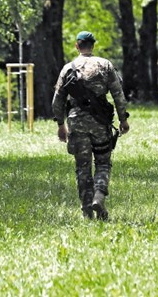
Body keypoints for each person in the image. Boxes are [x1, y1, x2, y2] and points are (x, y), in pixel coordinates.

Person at [52, 31, 130, 220]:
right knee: (103, 162)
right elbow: (118, 94)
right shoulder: (105, 65)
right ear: (92, 45)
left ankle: (87, 211)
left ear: (77, 46)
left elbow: (57, 100)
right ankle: (99, 196)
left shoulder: (67, 69)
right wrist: (123, 119)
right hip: (100, 123)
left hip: (76, 123)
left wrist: (61, 124)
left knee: (82, 167)